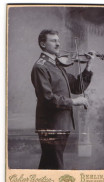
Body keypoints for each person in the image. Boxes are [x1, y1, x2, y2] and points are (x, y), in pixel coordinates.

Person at [31, 29, 93, 170]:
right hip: (51, 125)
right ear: (43, 44)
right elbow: (47, 99)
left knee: (49, 163)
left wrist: (88, 66)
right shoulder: (40, 67)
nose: (58, 44)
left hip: (61, 124)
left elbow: (77, 87)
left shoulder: (57, 66)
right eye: (53, 41)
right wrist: (75, 101)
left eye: (58, 40)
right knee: (55, 165)